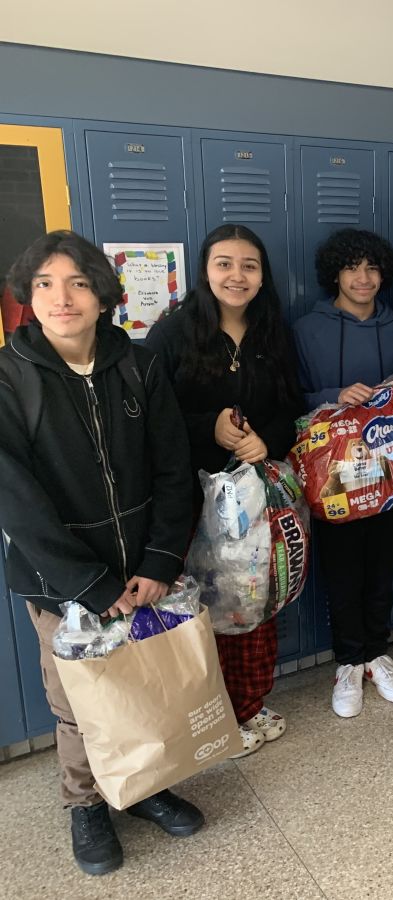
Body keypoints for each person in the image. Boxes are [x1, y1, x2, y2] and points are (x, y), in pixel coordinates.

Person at [0, 231, 203, 875]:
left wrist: (160, 560)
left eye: (77, 283)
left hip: (143, 572)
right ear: (29, 298)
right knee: (77, 701)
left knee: (144, 682)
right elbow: (15, 499)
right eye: (44, 285)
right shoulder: (10, 376)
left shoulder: (138, 364)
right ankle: (85, 803)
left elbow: (174, 465)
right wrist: (87, 582)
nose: (61, 298)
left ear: (102, 295)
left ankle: (144, 786)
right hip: (63, 582)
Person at [145, 224, 304, 758]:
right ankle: (210, 716)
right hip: (191, 502)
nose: (237, 276)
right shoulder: (172, 335)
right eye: (224, 263)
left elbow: (292, 406)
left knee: (250, 600)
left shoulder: (272, 332)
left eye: (249, 265)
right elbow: (151, 418)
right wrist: (206, 427)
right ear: (204, 270)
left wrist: (268, 439)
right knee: (199, 608)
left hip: (251, 505)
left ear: (263, 275)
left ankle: (248, 704)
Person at [293, 228, 393, 716]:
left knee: (383, 566)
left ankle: (377, 654)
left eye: (371, 268)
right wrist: (332, 396)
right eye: (352, 268)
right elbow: (292, 399)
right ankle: (348, 662)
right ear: (335, 274)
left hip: (391, 474)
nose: (363, 278)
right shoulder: (307, 330)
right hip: (333, 476)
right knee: (343, 570)